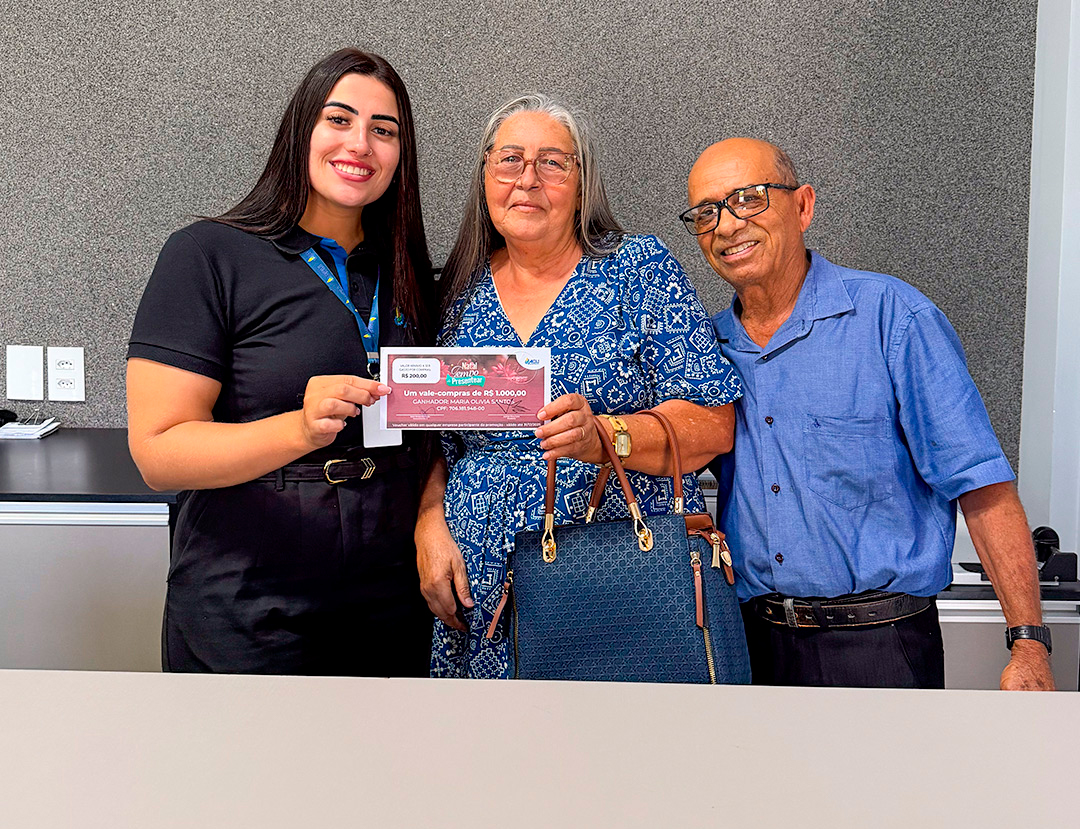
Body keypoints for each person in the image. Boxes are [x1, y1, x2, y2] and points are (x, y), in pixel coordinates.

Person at [682, 136, 1055, 690]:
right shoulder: (703, 352)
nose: (728, 225)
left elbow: (981, 486)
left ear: (803, 205)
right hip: (751, 646)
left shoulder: (894, 318)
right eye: (706, 213)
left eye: (749, 198)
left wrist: (1028, 642)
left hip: (881, 647)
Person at [127, 48, 436, 675]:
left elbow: (435, 435)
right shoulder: (208, 254)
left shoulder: (411, 272)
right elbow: (158, 454)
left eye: (384, 130)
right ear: (301, 129)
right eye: (339, 119)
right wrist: (298, 429)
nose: (360, 144)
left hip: (392, 593)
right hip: (250, 595)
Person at [415, 94, 743, 678]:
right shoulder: (456, 293)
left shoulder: (638, 270)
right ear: (485, 175)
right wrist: (428, 521)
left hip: (617, 579)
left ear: (582, 181)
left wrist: (607, 436)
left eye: (552, 162)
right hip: (478, 588)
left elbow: (713, 424)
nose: (528, 180)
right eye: (510, 160)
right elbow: (437, 442)